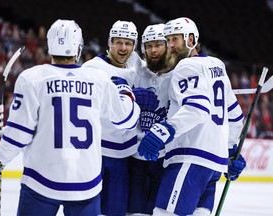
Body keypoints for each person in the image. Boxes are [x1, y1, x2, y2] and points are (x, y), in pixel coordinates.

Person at [0, 19, 141, 216]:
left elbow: (19, 133)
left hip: (40, 181)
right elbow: (125, 120)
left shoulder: (32, 78)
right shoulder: (99, 80)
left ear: (50, 45)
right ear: (78, 48)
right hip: (86, 183)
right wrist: (125, 92)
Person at [138, 17, 247, 215]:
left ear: (191, 39)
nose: (170, 45)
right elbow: (235, 115)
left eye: (175, 39)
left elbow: (197, 108)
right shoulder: (216, 65)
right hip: (213, 165)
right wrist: (230, 149)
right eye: (168, 40)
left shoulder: (186, 66)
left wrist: (165, 130)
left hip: (190, 157)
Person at [82, 20, 158, 216]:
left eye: (128, 43)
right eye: (118, 42)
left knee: (116, 212)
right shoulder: (92, 69)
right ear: (109, 43)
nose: (123, 48)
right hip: (96, 153)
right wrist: (128, 97)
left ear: (134, 46)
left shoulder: (136, 64)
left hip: (123, 156)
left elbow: (159, 70)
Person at [127, 23, 174, 216]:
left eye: (158, 45)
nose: (153, 50)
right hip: (135, 156)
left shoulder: (180, 74)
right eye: (148, 45)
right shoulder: (137, 72)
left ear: (168, 45)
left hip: (164, 159)